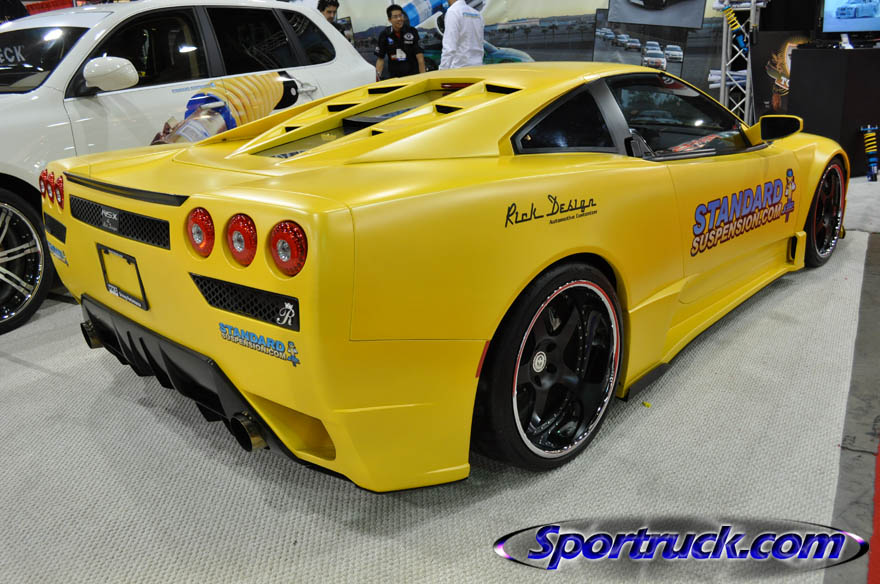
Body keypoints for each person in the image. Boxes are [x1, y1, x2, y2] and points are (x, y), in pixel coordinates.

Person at [374, 4, 426, 79]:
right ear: (389, 20)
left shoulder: (412, 31)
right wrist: (377, 79)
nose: (399, 19)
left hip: (413, 76)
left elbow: (420, 58)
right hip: (395, 78)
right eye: (395, 17)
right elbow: (380, 59)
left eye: (400, 15)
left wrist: (423, 77)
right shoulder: (384, 34)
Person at [439, 0, 484, 70]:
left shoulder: (453, 12)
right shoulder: (477, 14)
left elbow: (449, 48)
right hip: (478, 67)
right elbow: (480, 43)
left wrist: (442, 71)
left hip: (460, 69)